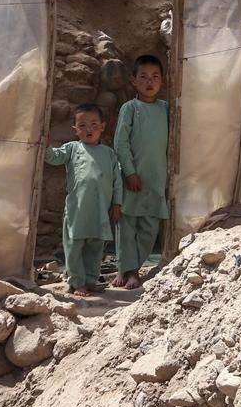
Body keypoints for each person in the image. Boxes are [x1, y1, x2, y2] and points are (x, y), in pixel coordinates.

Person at [44, 103, 123, 297]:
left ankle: (90, 280)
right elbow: (53, 157)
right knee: (74, 246)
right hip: (77, 210)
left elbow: (117, 181)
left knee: (96, 247)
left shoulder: (109, 153)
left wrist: (117, 203)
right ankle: (77, 282)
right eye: (83, 125)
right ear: (75, 130)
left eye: (94, 124)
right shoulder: (72, 148)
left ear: (103, 126)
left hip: (100, 210)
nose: (89, 129)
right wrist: (46, 145)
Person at [112, 54, 169, 290]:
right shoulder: (130, 108)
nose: (149, 81)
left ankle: (133, 267)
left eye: (155, 77)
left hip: (156, 179)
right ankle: (127, 269)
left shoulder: (166, 109)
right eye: (143, 77)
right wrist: (129, 172)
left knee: (149, 227)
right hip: (132, 178)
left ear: (162, 80)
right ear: (133, 80)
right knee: (126, 226)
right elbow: (120, 143)